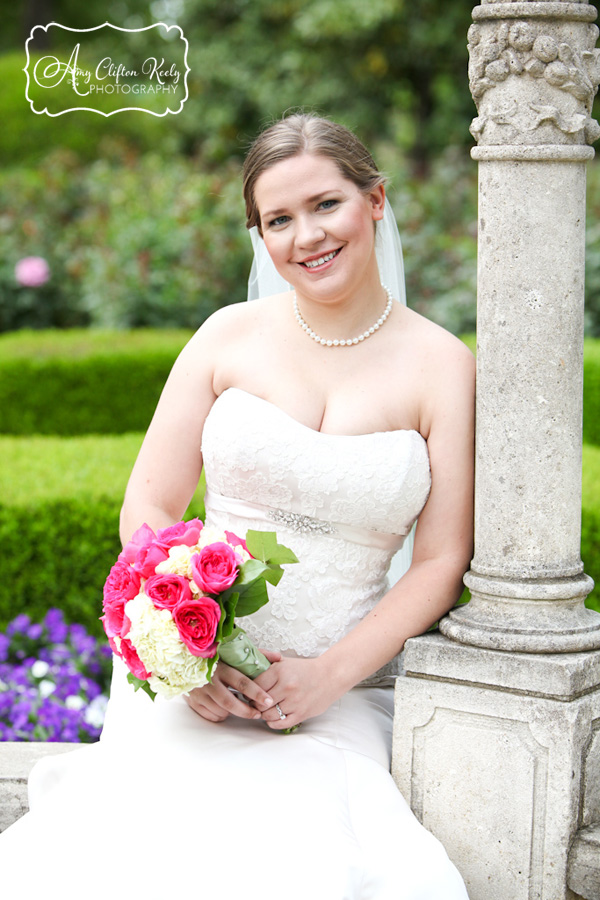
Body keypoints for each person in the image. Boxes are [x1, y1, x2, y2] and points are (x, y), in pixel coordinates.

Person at [0, 113, 474, 899]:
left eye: (326, 204)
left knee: (307, 860)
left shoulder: (443, 367)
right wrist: (190, 654)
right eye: (278, 220)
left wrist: (329, 675)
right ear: (259, 234)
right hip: (196, 687)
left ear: (376, 200)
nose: (306, 236)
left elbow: (438, 562)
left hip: (339, 695)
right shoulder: (226, 337)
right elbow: (151, 499)